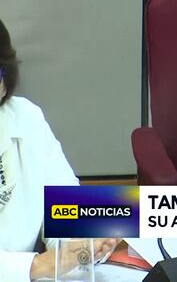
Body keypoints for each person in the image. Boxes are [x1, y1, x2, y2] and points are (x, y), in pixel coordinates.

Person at [0, 18, 118, 281]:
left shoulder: (26, 117)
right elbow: (46, 264)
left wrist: (85, 243)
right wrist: (38, 265)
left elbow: (64, 204)